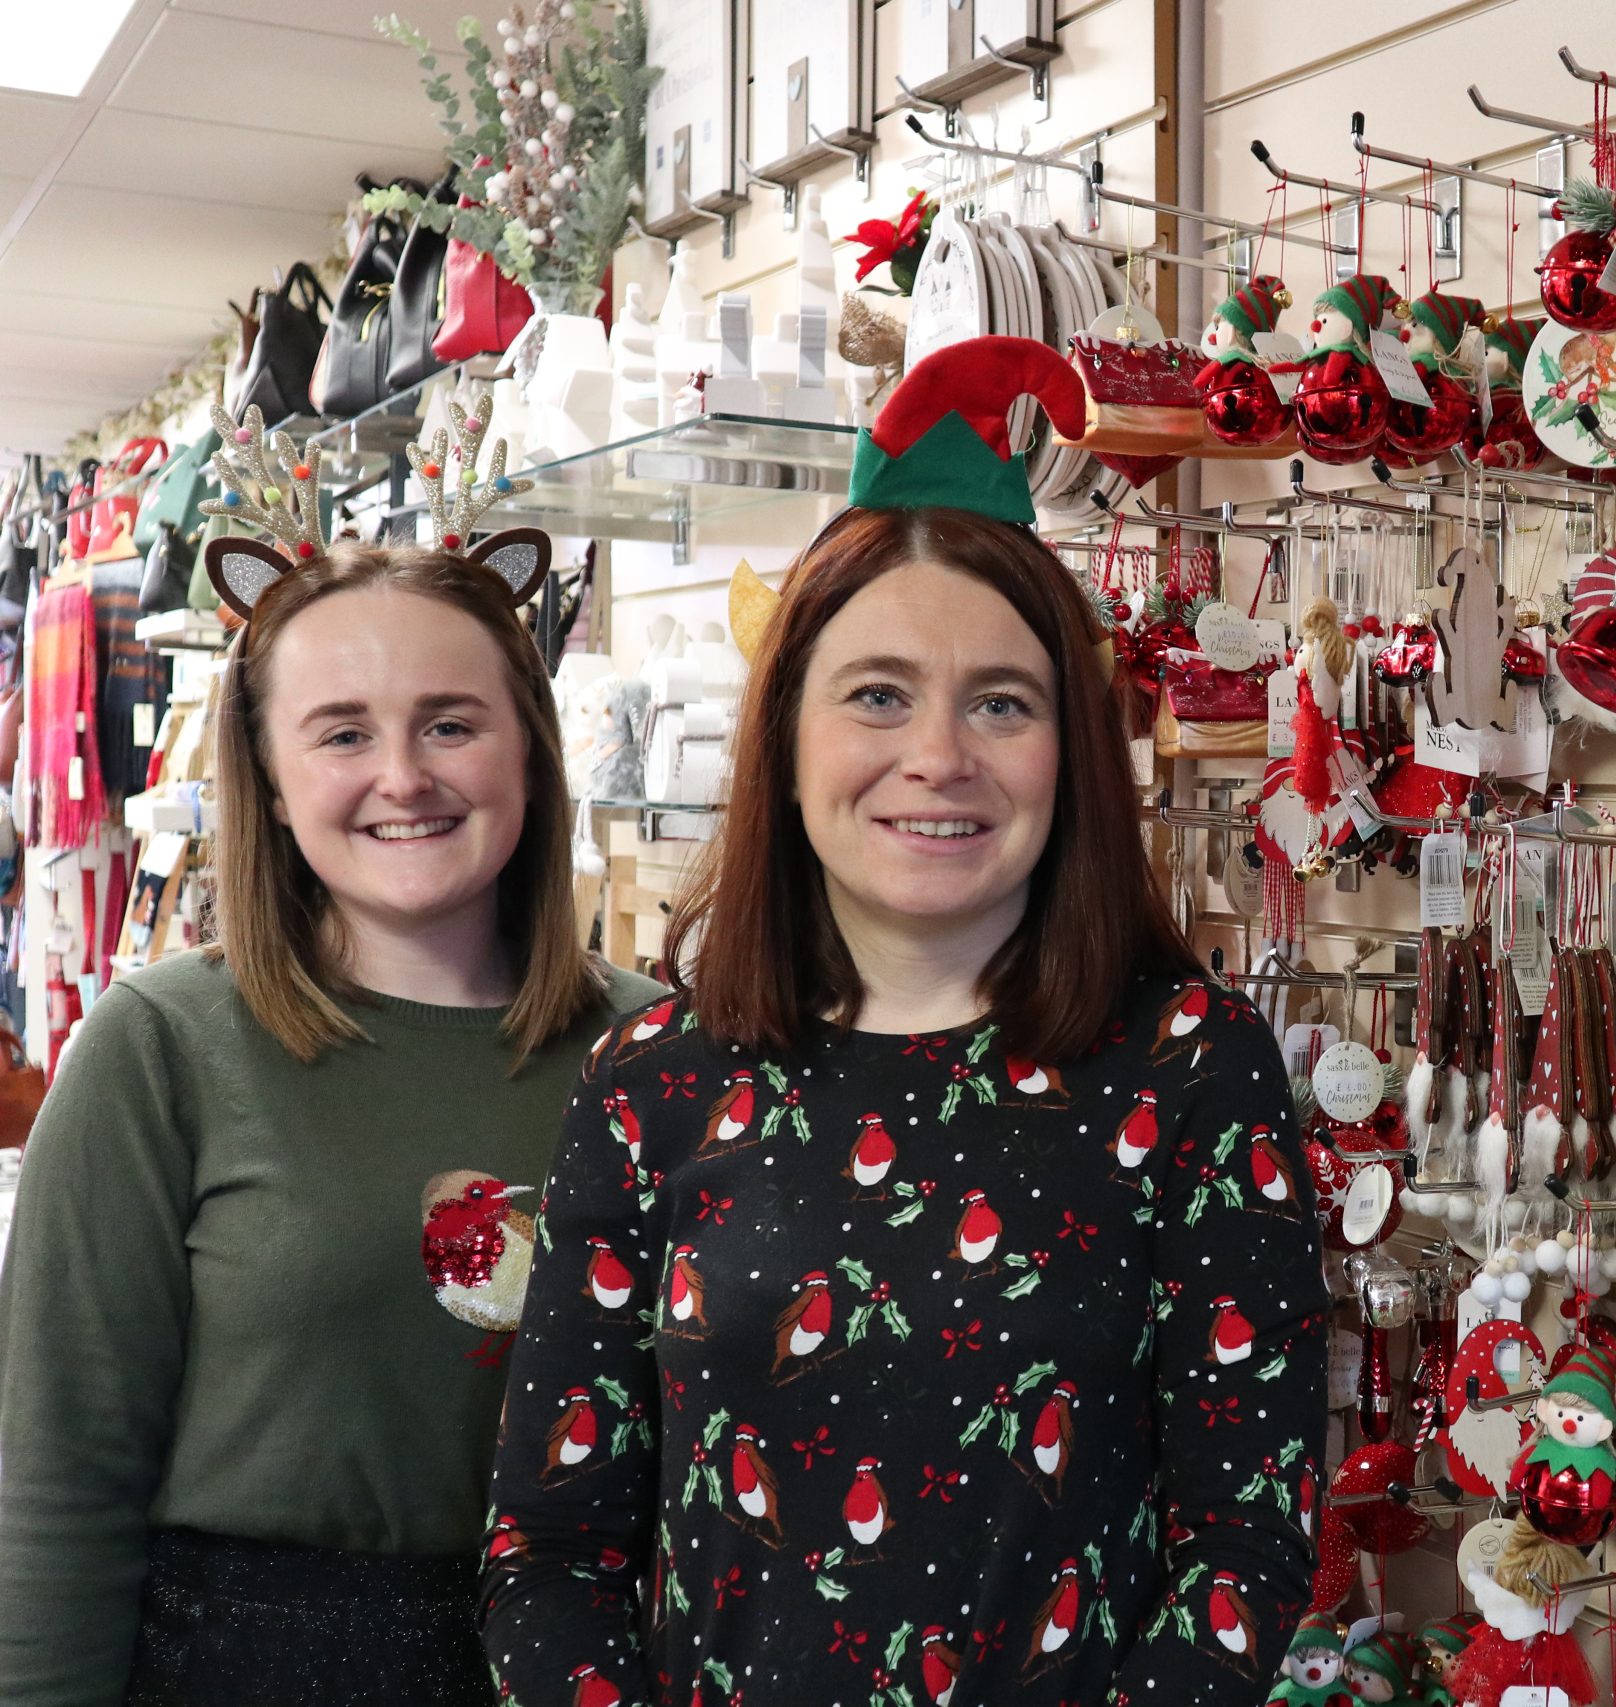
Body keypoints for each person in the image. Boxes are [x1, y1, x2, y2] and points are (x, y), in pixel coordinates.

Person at [482, 339, 1328, 1706]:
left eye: (1002, 702)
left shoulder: (1191, 1069)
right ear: (790, 733)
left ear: (1071, 753)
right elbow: (549, 1555)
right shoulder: (651, 1088)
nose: (939, 755)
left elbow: (1245, 1548)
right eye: (878, 694)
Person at [0, 403, 666, 1707]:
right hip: (248, 1662)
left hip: (592, 1659)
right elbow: (56, 1486)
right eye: (344, 731)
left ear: (530, 743)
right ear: (269, 767)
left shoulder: (662, 1052)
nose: (403, 775)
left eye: (452, 723)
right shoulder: (161, 1050)